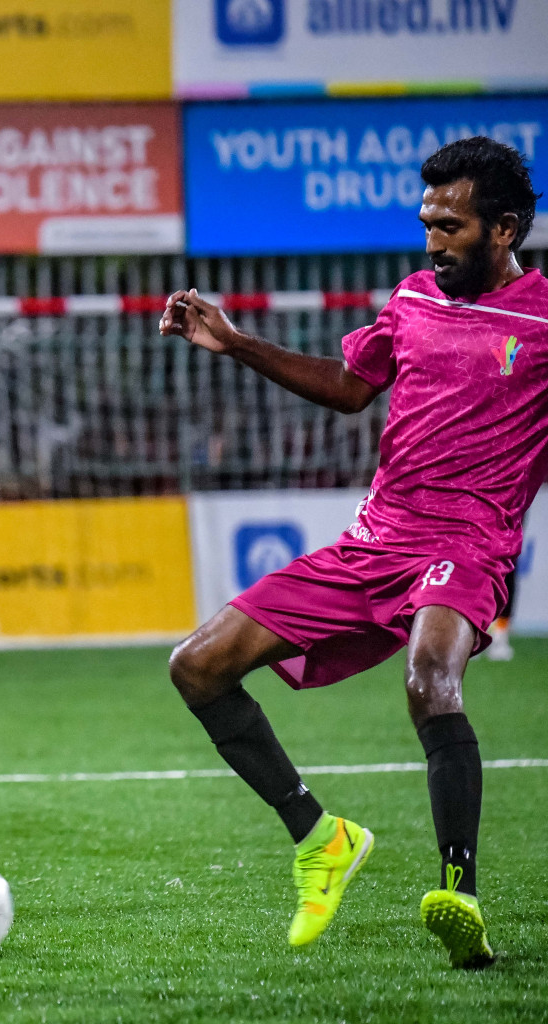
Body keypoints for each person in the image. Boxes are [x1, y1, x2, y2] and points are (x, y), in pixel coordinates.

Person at [161, 136, 543, 969]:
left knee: (429, 678)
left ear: (505, 227)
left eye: (450, 224)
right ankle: (320, 838)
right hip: (375, 540)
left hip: (468, 545)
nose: (432, 239)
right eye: (426, 222)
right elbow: (347, 388)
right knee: (197, 664)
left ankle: (460, 895)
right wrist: (235, 342)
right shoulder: (411, 298)